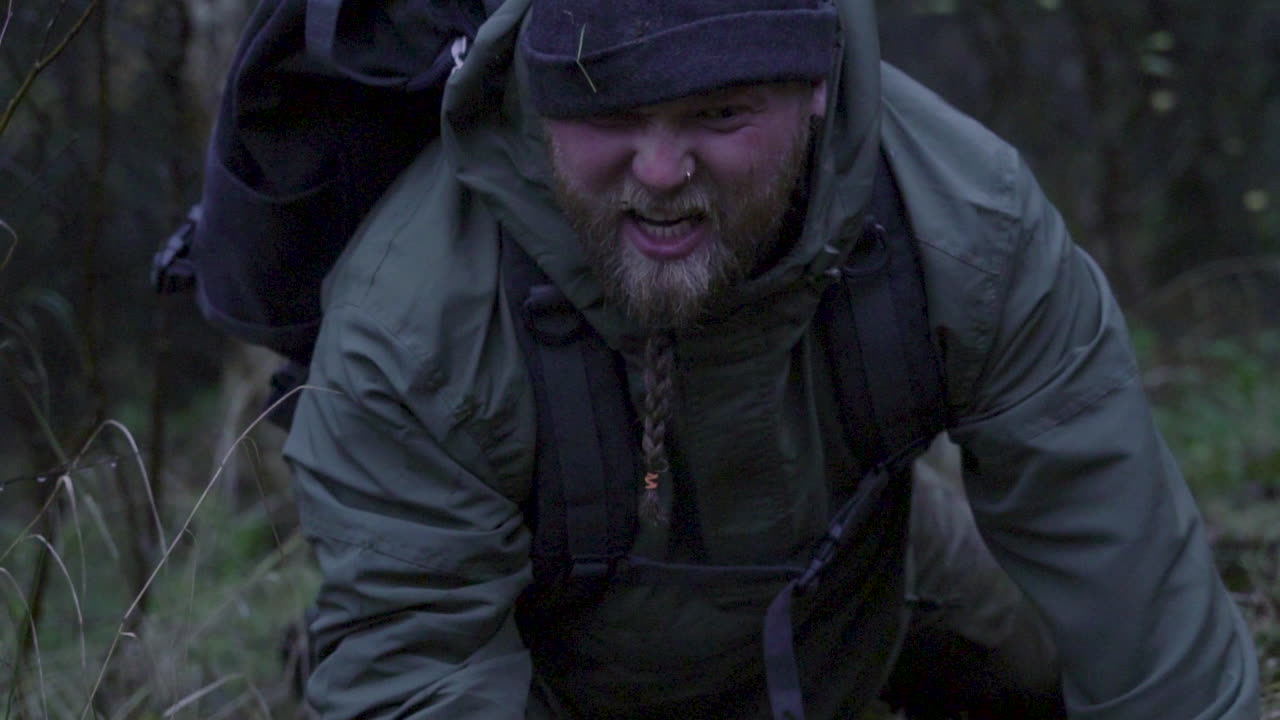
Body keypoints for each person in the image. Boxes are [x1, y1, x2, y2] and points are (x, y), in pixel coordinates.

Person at [282, 0, 1260, 718]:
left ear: (816, 87)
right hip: (555, 672)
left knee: (1046, 654)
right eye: (608, 115)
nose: (659, 175)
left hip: (850, 571)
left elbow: (1136, 608)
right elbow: (422, 682)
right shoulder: (412, 327)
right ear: (535, 100)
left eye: (718, 115)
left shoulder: (963, 227)